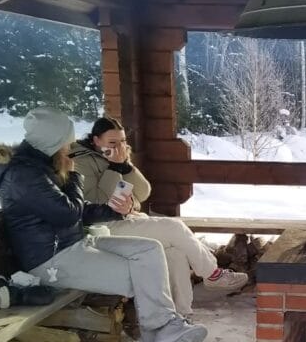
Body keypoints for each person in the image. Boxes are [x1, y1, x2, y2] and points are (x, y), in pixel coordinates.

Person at [0, 106, 207, 342]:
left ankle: (164, 331)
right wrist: (74, 177)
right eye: (66, 142)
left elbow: (76, 211)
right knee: (144, 274)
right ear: (51, 141)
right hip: (50, 262)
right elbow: (67, 213)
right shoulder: (24, 175)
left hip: (73, 246)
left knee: (149, 250)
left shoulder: (41, 166)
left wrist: (115, 211)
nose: (69, 148)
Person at [69, 117, 248, 317]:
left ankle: (179, 316)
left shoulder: (117, 157)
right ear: (96, 140)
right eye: (112, 142)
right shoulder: (80, 162)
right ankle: (212, 274)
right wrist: (114, 168)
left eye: (122, 141)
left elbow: (143, 192)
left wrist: (125, 167)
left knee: (175, 254)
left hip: (128, 218)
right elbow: (98, 201)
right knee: (174, 227)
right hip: (103, 227)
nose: (119, 147)